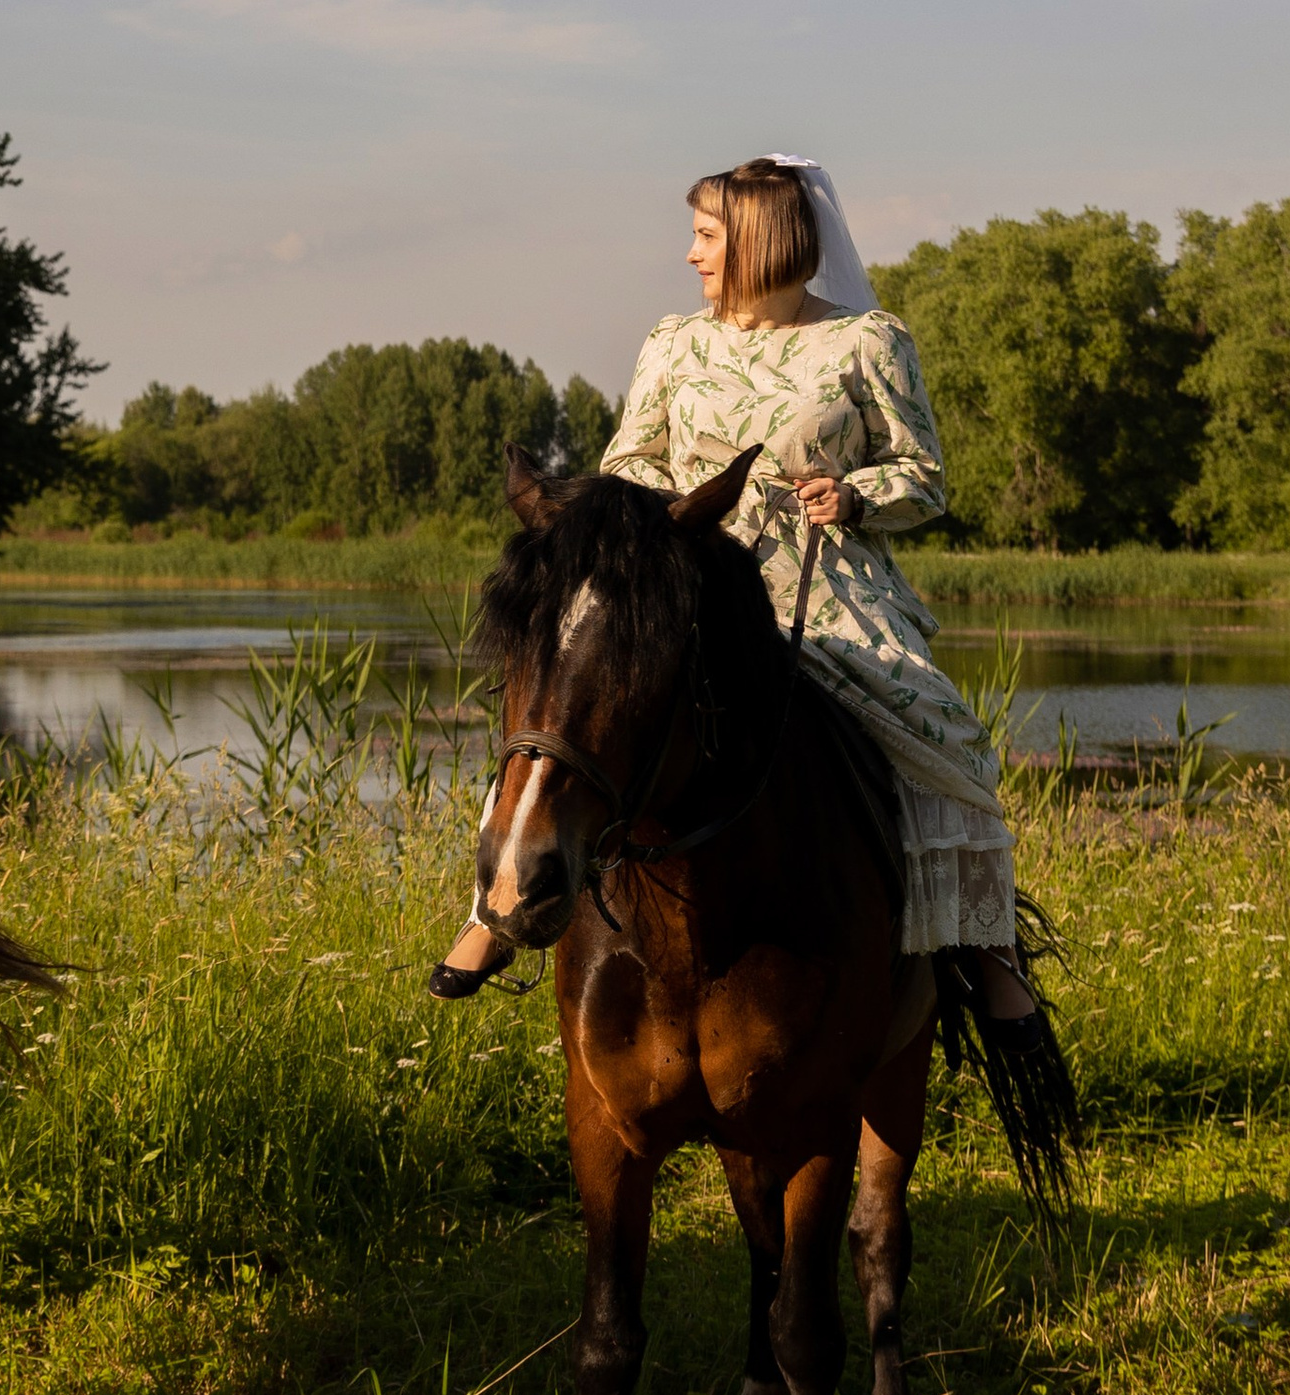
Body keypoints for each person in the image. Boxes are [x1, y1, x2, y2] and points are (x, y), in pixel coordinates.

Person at [433, 154, 1044, 1052]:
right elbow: (631, 457)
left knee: (949, 737)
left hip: (821, 587)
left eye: (708, 236)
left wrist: (859, 496)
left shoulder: (869, 342)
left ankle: (987, 950)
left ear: (761, 239)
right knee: (564, 701)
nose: (691, 256)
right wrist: (642, 517)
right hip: (686, 585)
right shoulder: (673, 344)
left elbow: (926, 475)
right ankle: (502, 903)